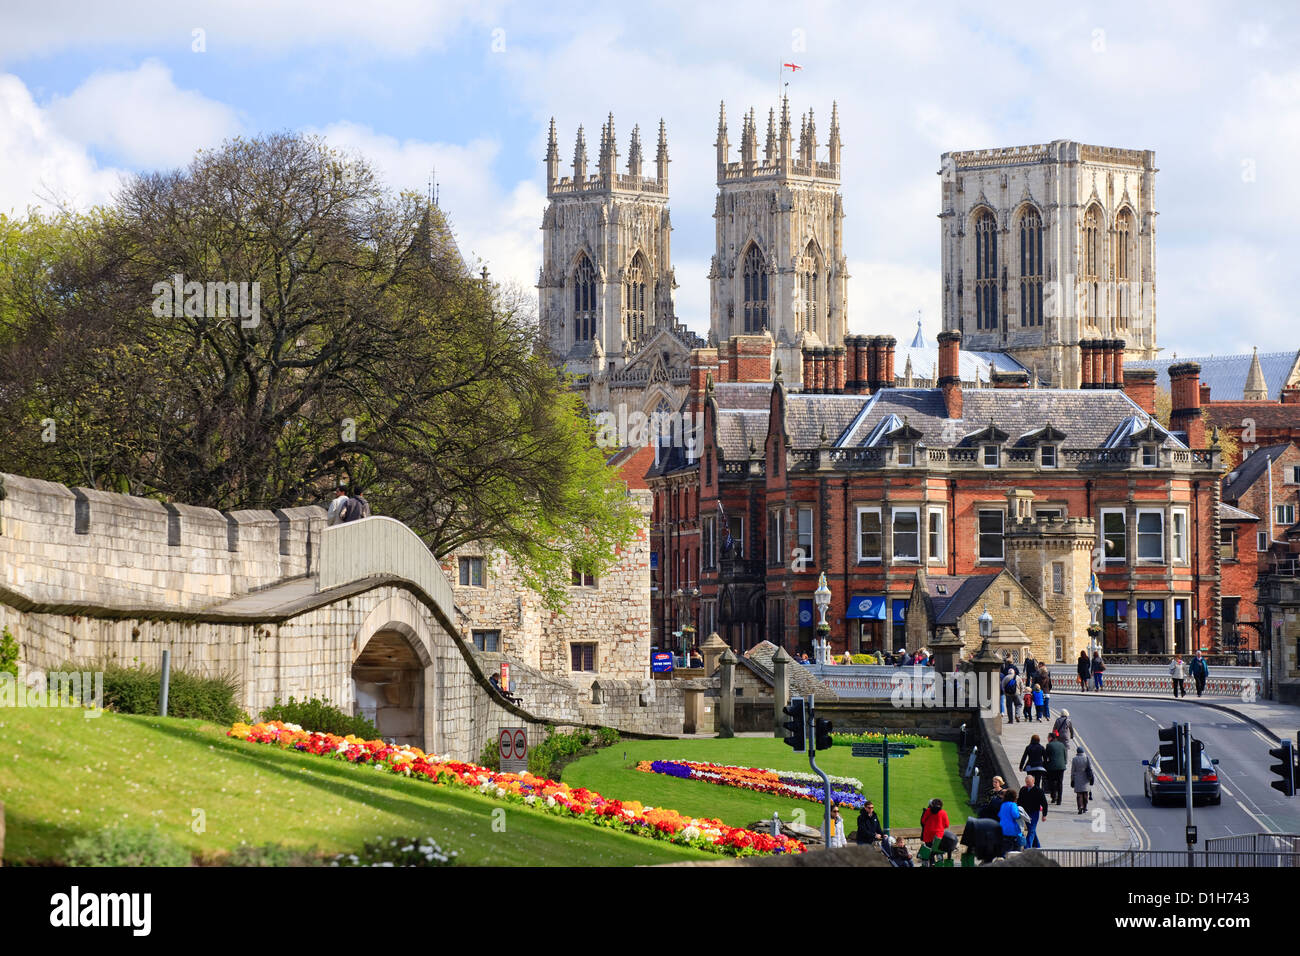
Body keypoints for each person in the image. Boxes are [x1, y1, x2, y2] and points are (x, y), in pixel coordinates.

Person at [1017, 774, 1049, 849]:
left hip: (1034, 813)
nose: (1027, 784)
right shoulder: (1023, 789)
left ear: (1033, 781)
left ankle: (1027, 848)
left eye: (1029, 782)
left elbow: (1044, 803)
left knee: (1030, 829)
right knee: (1029, 829)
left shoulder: (1038, 791)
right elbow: (1019, 801)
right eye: (1026, 782)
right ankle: (1037, 845)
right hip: (1024, 813)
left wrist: (1044, 815)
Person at [998, 787, 1025, 856]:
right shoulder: (1013, 805)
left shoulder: (1003, 804)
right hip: (1013, 831)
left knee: (1005, 850)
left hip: (1003, 829)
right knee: (1016, 852)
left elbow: (1000, 815)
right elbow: (1015, 815)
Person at [1044, 733, 1069, 806]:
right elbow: (1065, 755)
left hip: (1052, 767)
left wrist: (1045, 765)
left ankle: (1053, 797)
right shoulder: (1062, 744)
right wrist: (1064, 762)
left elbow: (1046, 757)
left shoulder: (1049, 745)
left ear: (1051, 738)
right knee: (1060, 783)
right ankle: (1059, 800)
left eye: (1048, 737)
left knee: (1052, 782)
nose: (1047, 739)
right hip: (1061, 767)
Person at [1071, 746, 1095, 814]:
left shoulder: (1074, 759)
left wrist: (1072, 779)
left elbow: (1073, 771)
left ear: (1077, 752)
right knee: (1085, 793)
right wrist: (1091, 778)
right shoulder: (1087, 758)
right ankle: (1085, 807)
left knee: (1079, 794)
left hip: (1078, 778)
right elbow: (1091, 769)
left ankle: (1080, 807)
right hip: (1086, 778)